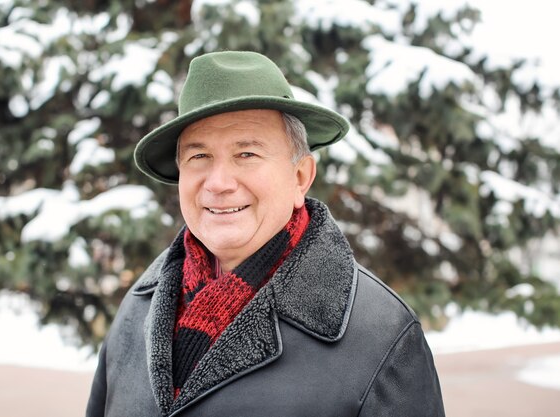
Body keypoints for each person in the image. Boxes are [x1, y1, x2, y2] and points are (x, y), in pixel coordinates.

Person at [86, 51, 445, 417]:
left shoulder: (381, 334)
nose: (219, 183)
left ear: (300, 177)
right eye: (199, 157)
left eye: (247, 154)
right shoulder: (137, 309)